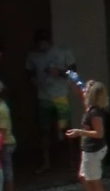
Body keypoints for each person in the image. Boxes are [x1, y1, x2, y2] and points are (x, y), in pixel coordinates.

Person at [27, 30, 75, 173]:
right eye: (40, 42)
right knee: (44, 131)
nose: (42, 45)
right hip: (44, 97)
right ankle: (46, 162)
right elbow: (28, 72)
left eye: (45, 41)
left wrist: (59, 72)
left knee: (66, 129)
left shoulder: (63, 52)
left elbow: (73, 72)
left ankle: (71, 161)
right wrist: (33, 81)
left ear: (50, 40)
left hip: (61, 96)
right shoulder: (33, 55)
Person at [65, 79, 110, 191]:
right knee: (84, 177)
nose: (84, 90)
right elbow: (80, 93)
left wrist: (80, 132)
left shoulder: (95, 113)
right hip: (88, 150)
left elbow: (99, 133)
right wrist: (72, 80)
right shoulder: (90, 107)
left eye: (87, 89)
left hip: (93, 150)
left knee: (95, 181)